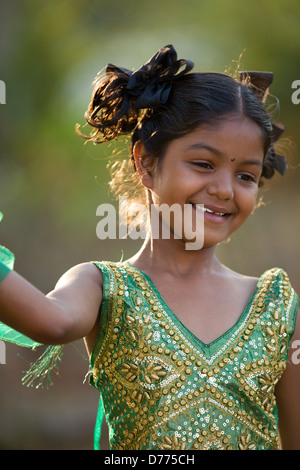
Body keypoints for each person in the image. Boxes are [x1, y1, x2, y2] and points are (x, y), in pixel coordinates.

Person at [0, 45, 299, 451]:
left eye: (246, 175)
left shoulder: (277, 307)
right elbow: (52, 323)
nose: (224, 190)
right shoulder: (104, 287)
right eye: (204, 164)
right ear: (145, 162)